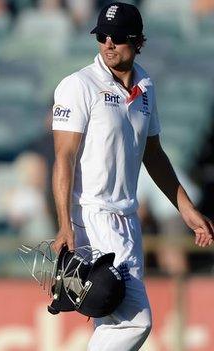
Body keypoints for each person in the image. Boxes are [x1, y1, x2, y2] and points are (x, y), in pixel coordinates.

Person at [50, 2, 213, 350]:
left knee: (112, 322)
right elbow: (63, 157)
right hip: (93, 216)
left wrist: (186, 210)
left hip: (128, 218)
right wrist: (65, 224)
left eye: (119, 38)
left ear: (138, 42)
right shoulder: (78, 85)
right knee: (135, 322)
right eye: (103, 36)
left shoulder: (146, 88)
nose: (108, 44)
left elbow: (153, 154)